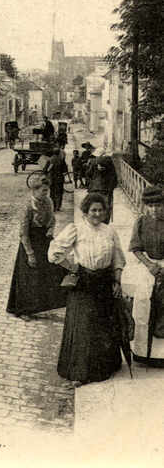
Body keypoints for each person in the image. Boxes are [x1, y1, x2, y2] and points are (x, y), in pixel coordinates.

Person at [48, 192, 126, 386]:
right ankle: (79, 372)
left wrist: (117, 281)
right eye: (93, 210)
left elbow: (118, 258)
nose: (97, 214)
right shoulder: (76, 229)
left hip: (104, 282)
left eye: (100, 210)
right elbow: (54, 253)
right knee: (83, 326)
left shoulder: (110, 231)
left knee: (103, 325)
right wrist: (73, 267)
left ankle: (104, 368)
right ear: (85, 212)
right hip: (84, 282)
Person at [6, 175, 67, 321]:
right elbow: (23, 232)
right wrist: (30, 253)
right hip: (30, 242)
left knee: (48, 273)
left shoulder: (48, 202)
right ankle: (23, 310)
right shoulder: (28, 206)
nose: (45, 193)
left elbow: (52, 220)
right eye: (43, 191)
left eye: (47, 191)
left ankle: (41, 306)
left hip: (44, 241)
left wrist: (51, 229)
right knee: (29, 277)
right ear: (34, 191)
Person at [126, 185, 164, 364]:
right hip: (148, 264)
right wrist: (149, 265)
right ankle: (144, 353)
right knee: (143, 299)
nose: (154, 209)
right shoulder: (142, 222)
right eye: (151, 206)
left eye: (158, 205)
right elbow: (135, 248)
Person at [87, 155, 118, 221]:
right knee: (105, 206)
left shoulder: (93, 162)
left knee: (93, 205)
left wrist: (91, 182)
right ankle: (104, 222)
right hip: (106, 190)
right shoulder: (110, 164)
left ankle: (94, 221)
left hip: (94, 188)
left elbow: (88, 174)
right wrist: (111, 187)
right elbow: (115, 179)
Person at [45, 147, 68, 212]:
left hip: (52, 179)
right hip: (60, 179)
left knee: (52, 193)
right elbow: (65, 171)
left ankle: (53, 207)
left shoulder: (50, 159)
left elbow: (46, 169)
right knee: (59, 193)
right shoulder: (61, 159)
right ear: (58, 153)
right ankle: (58, 207)